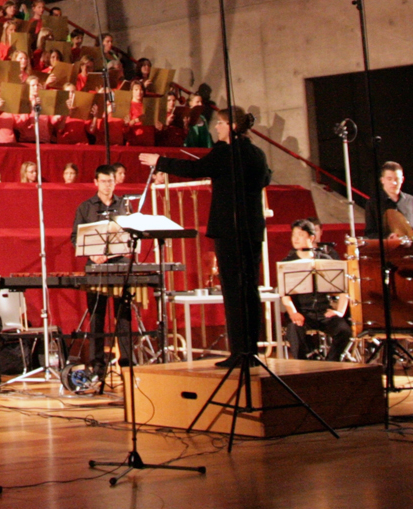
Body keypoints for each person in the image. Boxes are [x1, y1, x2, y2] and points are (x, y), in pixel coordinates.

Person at [141, 109, 270, 367]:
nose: (217, 128)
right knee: (249, 289)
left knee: (233, 292)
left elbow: (195, 169)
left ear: (233, 126)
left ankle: (239, 353)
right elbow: (266, 177)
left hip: (230, 230)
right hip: (252, 230)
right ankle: (251, 350)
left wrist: (160, 161)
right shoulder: (256, 153)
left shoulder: (226, 152)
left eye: (221, 123)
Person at [74, 163, 133, 380]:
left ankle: (126, 363)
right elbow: (75, 237)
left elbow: (131, 234)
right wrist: (92, 255)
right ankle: (97, 365)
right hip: (96, 266)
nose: (108, 185)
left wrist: (125, 247)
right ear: (96, 182)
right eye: (104, 181)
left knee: (123, 315)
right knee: (97, 316)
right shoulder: (86, 207)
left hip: (119, 265)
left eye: (111, 181)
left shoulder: (124, 206)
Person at [279, 219, 351, 361]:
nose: (296, 239)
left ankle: (330, 364)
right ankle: (304, 366)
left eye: (300, 235)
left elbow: (344, 289)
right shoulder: (287, 262)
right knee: (294, 331)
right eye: (294, 235)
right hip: (302, 312)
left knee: (344, 331)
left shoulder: (325, 259)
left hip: (323, 311)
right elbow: (284, 294)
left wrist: (340, 311)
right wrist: (293, 313)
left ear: (311, 238)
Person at [366, 161, 413, 240]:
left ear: (402, 179)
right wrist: (388, 237)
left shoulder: (412, 201)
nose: (394, 183)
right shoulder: (373, 203)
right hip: (386, 247)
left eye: (397, 179)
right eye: (389, 179)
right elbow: (370, 234)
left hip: (410, 246)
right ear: (382, 180)